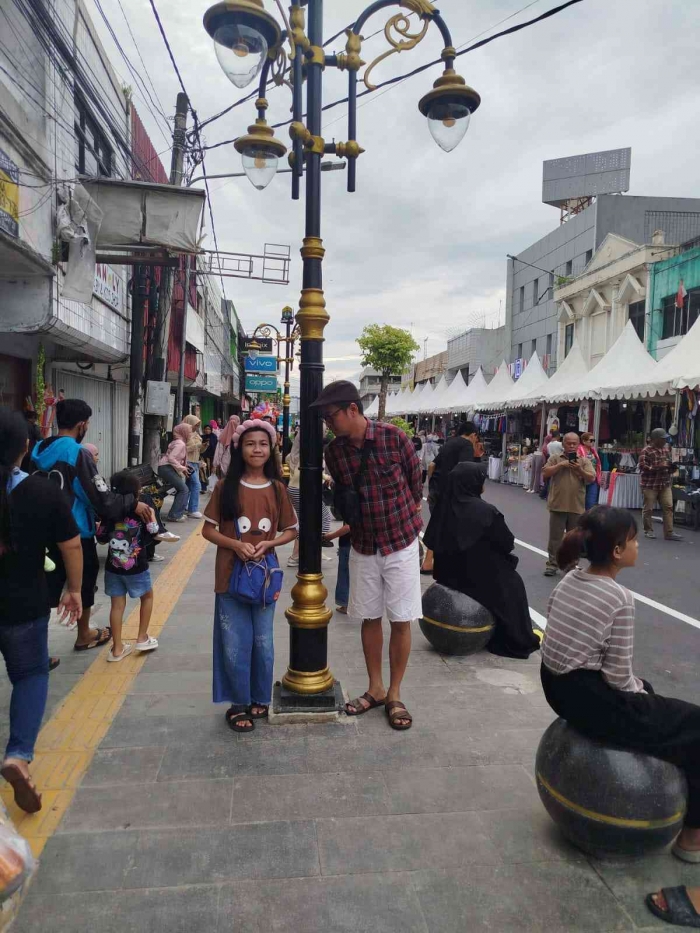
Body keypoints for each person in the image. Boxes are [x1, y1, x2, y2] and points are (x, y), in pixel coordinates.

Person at [541, 506, 700, 920]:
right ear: (615, 550)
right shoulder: (619, 598)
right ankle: (692, 840)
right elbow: (618, 679)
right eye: (632, 540)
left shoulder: (572, 577)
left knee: (662, 713)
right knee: (694, 724)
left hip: (555, 686)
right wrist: (644, 694)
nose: (637, 546)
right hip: (591, 697)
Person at [318, 380, 423, 731]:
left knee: (401, 618)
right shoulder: (334, 452)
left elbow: (415, 484)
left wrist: (404, 515)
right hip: (363, 544)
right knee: (369, 617)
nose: (328, 424)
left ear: (352, 409)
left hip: (400, 542)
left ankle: (395, 693)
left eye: (331, 416)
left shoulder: (395, 437)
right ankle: (375, 688)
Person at [0, 410, 83, 813]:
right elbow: (71, 544)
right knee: (30, 676)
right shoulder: (41, 492)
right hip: (24, 604)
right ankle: (17, 755)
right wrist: (75, 589)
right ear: (25, 449)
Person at [32, 398, 153, 651]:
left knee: (44, 590)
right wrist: (131, 502)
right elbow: (101, 499)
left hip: (40, 531)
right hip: (75, 531)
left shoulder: (39, 449)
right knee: (84, 585)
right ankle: (84, 633)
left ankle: (36, 648)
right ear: (82, 424)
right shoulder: (78, 454)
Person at [202, 420, 297, 733]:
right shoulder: (224, 487)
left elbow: (290, 530)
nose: (257, 449)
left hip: (264, 578)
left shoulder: (277, 488)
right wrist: (236, 545)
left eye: (263, 444)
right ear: (239, 449)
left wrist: (269, 543)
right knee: (233, 642)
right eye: (250, 444)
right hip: (229, 576)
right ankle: (238, 703)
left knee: (263, 642)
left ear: (271, 450)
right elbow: (208, 530)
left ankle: (260, 697)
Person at [424, 462, 541, 658]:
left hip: (447, 572)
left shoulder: (442, 506)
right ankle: (516, 638)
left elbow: (430, 540)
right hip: (475, 575)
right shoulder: (485, 511)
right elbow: (507, 543)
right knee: (512, 585)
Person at [97, 471, 158, 661]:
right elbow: (154, 533)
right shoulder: (143, 510)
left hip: (113, 567)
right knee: (147, 597)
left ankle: (117, 649)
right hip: (137, 566)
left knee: (117, 605)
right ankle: (142, 637)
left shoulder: (110, 513)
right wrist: (153, 518)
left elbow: (101, 539)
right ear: (136, 492)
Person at [423, 421, 483, 574]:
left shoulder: (449, 443)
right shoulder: (466, 445)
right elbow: (465, 470)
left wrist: (432, 488)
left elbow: (431, 466)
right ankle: (436, 563)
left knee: (439, 524)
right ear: (473, 435)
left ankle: (430, 562)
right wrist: (477, 459)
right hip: (452, 494)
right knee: (452, 527)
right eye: (476, 438)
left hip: (437, 491)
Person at [542, 432, 595, 577]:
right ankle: (552, 564)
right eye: (568, 443)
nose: (571, 446)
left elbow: (591, 478)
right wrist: (561, 465)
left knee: (574, 539)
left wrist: (579, 469)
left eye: (574, 443)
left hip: (576, 506)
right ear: (563, 444)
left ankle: (572, 565)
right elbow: (545, 473)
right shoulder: (554, 458)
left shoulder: (584, 461)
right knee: (555, 538)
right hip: (557, 504)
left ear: (579, 444)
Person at [639, 427, 682, 541]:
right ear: (656, 439)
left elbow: (667, 464)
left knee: (668, 507)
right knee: (648, 508)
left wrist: (672, 467)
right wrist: (658, 467)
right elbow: (643, 467)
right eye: (662, 439)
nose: (665, 441)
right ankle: (648, 530)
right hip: (650, 484)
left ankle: (669, 532)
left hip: (664, 483)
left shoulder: (666, 449)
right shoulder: (646, 451)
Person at [158, 423, 192, 523]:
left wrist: (183, 467)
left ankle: (176, 513)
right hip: (166, 468)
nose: (190, 434)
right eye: (189, 432)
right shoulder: (180, 444)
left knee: (179, 488)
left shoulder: (178, 442)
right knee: (184, 489)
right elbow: (171, 458)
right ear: (183, 432)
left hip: (166, 467)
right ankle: (174, 515)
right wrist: (182, 468)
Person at [183, 414, 203, 519]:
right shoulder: (184, 434)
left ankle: (184, 506)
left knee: (189, 486)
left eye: (198, 425)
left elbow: (199, 450)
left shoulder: (196, 434)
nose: (197, 427)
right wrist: (197, 445)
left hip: (195, 462)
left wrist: (203, 447)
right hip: (187, 462)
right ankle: (193, 509)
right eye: (196, 425)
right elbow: (183, 449)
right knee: (196, 485)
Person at [578, 432, 601, 510]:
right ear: (584, 441)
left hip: (593, 479)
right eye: (591, 440)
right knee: (580, 502)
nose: (593, 442)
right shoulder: (578, 450)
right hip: (581, 479)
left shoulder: (593, 451)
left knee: (591, 503)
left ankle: (588, 520)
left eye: (593, 440)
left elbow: (598, 464)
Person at [200, 424, 218, 493]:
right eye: (206, 429)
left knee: (211, 472)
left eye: (209, 429)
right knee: (202, 472)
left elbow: (216, 447)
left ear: (211, 430)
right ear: (204, 430)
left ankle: (211, 487)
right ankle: (203, 488)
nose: (207, 430)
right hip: (203, 457)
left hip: (211, 457)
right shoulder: (201, 437)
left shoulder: (214, 437)